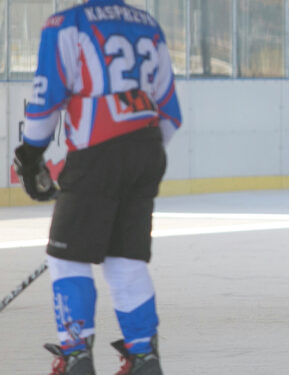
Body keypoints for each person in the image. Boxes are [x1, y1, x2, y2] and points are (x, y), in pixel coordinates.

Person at [13, 1, 181, 374]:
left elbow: (45, 98)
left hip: (97, 150)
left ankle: (76, 357)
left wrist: (30, 155)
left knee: (66, 257)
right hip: (148, 148)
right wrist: (137, 157)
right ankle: (144, 358)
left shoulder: (66, 22)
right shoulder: (147, 23)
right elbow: (170, 110)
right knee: (126, 261)